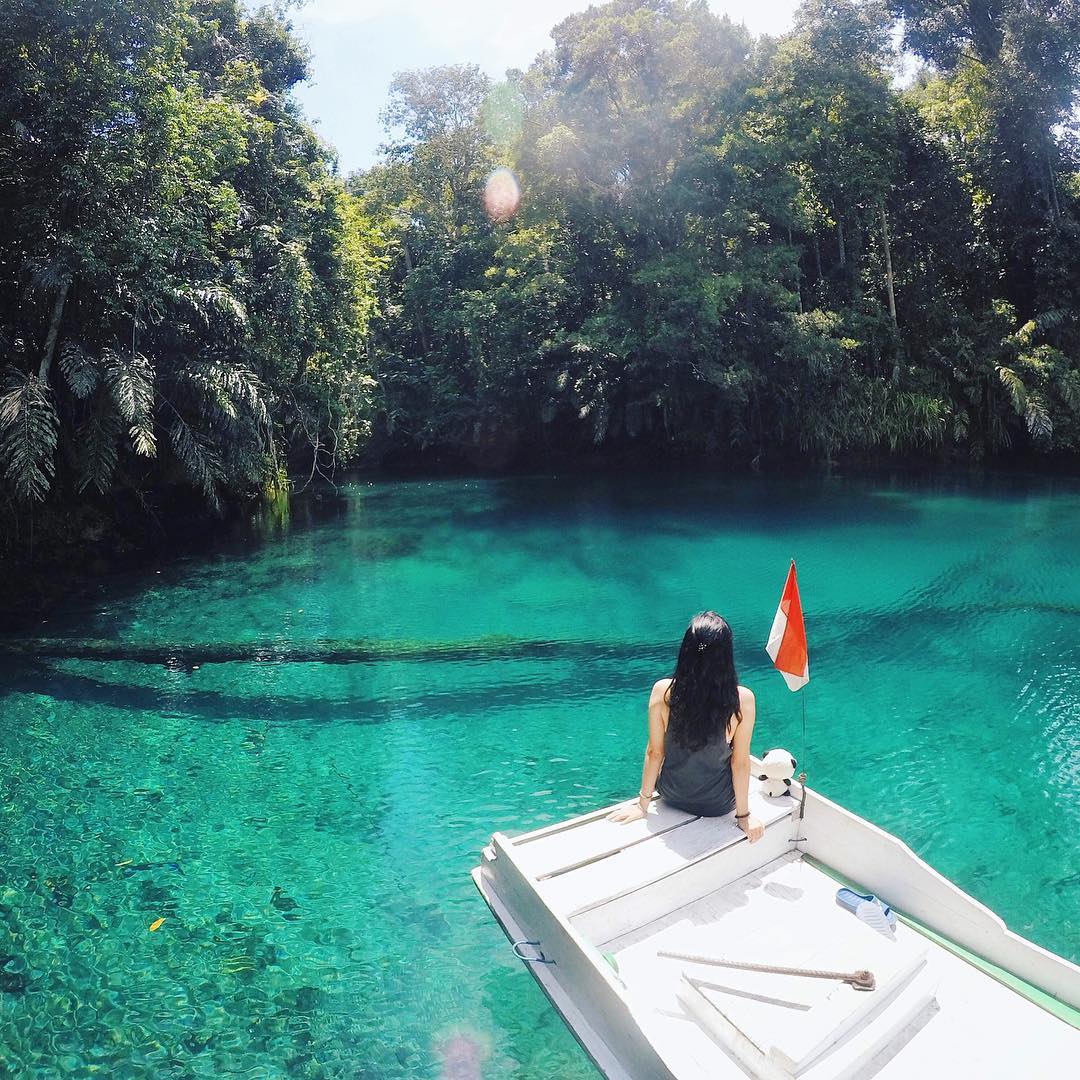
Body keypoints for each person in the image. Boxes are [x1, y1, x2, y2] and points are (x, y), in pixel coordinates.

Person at [608, 611, 764, 842]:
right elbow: (739, 762)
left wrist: (642, 805)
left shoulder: (663, 691)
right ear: (726, 655)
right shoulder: (741, 699)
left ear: (686, 651)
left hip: (672, 795)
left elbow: (654, 752)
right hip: (716, 804)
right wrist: (744, 816)